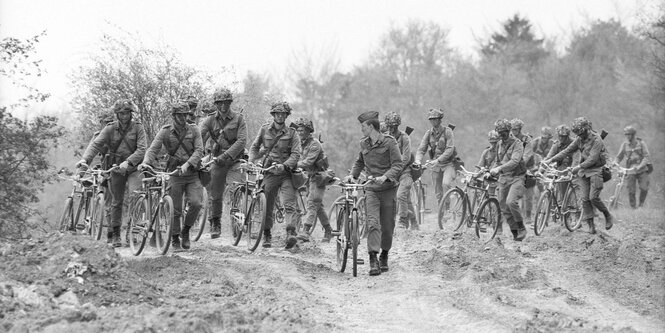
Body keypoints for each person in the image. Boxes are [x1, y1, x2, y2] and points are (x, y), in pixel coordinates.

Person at [76, 99, 147, 247]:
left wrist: (128, 162)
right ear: (117, 114)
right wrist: (84, 161)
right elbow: (95, 145)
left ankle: (132, 230)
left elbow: (142, 149)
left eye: (127, 113)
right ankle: (115, 233)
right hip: (116, 168)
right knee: (116, 201)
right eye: (121, 113)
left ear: (131, 113)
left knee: (135, 194)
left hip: (133, 167)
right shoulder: (109, 129)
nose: (124, 116)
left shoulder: (138, 128)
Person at [139, 102, 204, 250]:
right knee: (175, 208)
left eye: (185, 115)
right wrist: (145, 162)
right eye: (179, 115)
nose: (182, 118)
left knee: (196, 203)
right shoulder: (165, 131)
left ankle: (185, 230)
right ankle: (174, 237)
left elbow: (199, 150)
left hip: (191, 172)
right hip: (174, 173)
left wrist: (187, 164)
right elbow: (153, 149)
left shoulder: (194, 130)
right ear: (173, 116)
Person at [345, 111, 402, 276]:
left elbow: (398, 165)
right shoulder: (363, 143)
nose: (361, 129)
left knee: (388, 226)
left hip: (388, 189)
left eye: (363, 126)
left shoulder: (390, 143)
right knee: (372, 223)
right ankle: (373, 258)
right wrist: (353, 175)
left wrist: (385, 177)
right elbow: (360, 161)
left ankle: (384, 254)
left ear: (371, 127)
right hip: (371, 190)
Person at [544, 117, 615, 234]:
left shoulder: (597, 140)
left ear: (587, 129)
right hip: (583, 172)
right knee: (585, 199)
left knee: (593, 198)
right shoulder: (579, 139)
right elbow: (567, 151)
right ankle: (590, 225)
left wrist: (577, 167)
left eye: (581, 133)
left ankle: (607, 215)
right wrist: (550, 160)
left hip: (595, 170)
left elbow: (592, 159)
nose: (579, 136)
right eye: (577, 134)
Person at [248, 101, 301, 249]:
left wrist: (284, 165)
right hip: (269, 173)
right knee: (267, 205)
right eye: (277, 113)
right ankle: (266, 234)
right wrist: (251, 161)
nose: (279, 116)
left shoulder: (292, 133)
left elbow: (296, 154)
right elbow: (254, 147)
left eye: (283, 114)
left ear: (286, 115)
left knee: (289, 204)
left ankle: (291, 233)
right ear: (273, 115)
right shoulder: (264, 130)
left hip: (286, 174)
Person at [199, 88, 247, 239]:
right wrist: (198, 153)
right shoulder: (210, 120)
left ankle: (237, 220)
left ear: (230, 103)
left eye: (226, 102)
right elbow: (198, 137)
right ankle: (215, 223)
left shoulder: (239, 119)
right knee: (216, 194)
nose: (224, 106)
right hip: (217, 161)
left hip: (235, 160)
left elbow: (241, 141)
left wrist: (226, 155)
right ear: (216, 104)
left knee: (236, 189)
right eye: (220, 103)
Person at [292, 117, 333, 243]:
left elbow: (309, 161)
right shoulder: (300, 143)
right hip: (308, 177)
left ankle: (305, 231)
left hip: (318, 177)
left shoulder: (315, 144)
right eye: (298, 130)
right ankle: (328, 230)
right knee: (318, 206)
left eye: (302, 130)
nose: (299, 132)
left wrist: (293, 164)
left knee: (312, 203)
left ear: (309, 131)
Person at [489, 119, 526, 241]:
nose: (501, 135)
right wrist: (490, 171)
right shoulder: (499, 144)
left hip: (517, 177)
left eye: (504, 132)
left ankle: (521, 227)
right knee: (503, 206)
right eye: (499, 132)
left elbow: (515, 161)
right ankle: (515, 232)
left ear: (509, 131)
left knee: (511, 202)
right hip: (504, 178)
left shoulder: (517, 143)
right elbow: (497, 161)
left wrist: (499, 168)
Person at [384, 112, 417, 230]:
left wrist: (395, 169)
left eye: (394, 126)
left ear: (398, 126)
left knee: (401, 195)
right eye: (389, 126)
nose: (391, 129)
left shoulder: (404, 138)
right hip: (389, 172)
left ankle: (402, 220)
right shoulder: (385, 138)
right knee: (405, 199)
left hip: (405, 172)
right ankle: (413, 221)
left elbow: (406, 157)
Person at [415, 108, 455, 205]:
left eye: (435, 119)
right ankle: (441, 213)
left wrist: (438, 160)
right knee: (438, 192)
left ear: (440, 119)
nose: (433, 121)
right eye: (431, 119)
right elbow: (421, 149)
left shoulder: (447, 131)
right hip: (435, 166)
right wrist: (418, 160)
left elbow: (450, 149)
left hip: (448, 164)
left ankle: (447, 208)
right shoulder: (428, 133)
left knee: (446, 184)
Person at [615, 125, 651, 208]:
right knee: (631, 190)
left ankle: (641, 204)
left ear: (633, 135)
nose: (627, 136)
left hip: (642, 169)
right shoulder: (624, 144)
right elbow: (619, 157)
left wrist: (640, 166)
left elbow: (646, 156)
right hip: (630, 169)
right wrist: (615, 163)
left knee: (644, 188)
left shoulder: (641, 143)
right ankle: (633, 207)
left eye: (629, 134)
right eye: (626, 134)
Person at [510, 118, 535, 223]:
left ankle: (528, 216)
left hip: (527, 168)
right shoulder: (510, 139)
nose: (513, 132)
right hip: (512, 168)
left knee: (528, 194)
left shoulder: (527, 139)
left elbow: (527, 155)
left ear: (520, 129)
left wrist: (518, 165)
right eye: (512, 129)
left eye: (515, 129)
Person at [544, 124, 576, 203]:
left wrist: (572, 171)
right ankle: (550, 205)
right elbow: (549, 157)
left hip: (571, 169)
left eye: (563, 136)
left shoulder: (574, 143)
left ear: (567, 136)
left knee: (564, 194)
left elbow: (577, 159)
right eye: (559, 136)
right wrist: (541, 169)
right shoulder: (556, 144)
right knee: (548, 181)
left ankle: (566, 205)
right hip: (559, 169)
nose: (561, 138)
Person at [478, 130, 499, 197]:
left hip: (496, 179)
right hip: (486, 177)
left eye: (495, 143)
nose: (493, 145)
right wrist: (474, 175)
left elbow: (497, 164)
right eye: (491, 143)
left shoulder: (501, 152)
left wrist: (490, 172)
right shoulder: (486, 152)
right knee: (478, 193)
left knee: (492, 198)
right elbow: (480, 165)